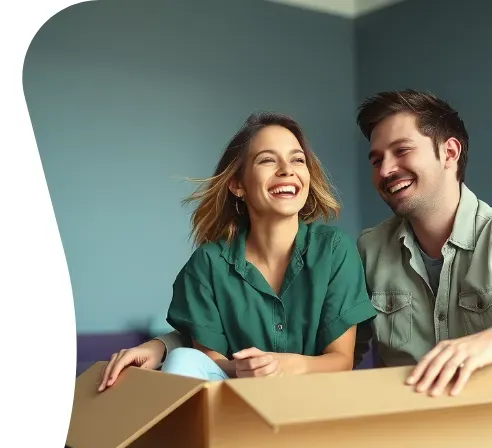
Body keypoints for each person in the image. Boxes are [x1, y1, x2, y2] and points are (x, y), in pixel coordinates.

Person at [100, 91, 492, 397]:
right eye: (376, 159)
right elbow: (307, 340)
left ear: (450, 151)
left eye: (401, 151)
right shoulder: (367, 251)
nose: (386, 169)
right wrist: (163, 346)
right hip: (399, 439)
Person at [98, 112, 375, 390]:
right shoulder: (207, 264)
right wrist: (247, 369)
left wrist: (282, 366)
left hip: (312, 403)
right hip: (233, 403)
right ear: (237, 184)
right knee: (183, 360)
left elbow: (340, 361)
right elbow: (208, 361)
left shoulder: (334, 249)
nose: (287, 170)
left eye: (297, 159)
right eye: (267, 160)